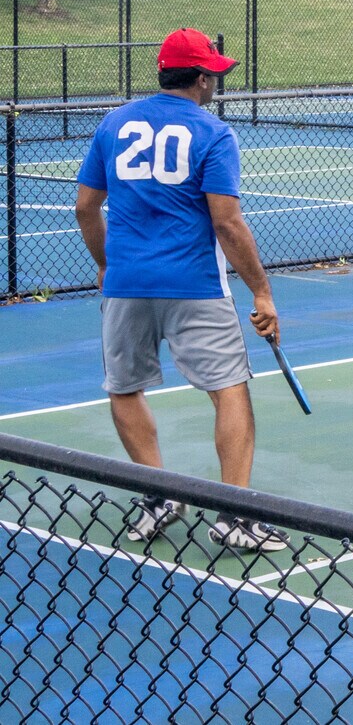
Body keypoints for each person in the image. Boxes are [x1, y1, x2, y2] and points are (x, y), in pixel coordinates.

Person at [74, 28, 287, 552]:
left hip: (127, 284)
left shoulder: (114, 122)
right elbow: (228, 223)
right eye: (213, 71)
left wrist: (108, 265)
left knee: (124, 388)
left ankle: (159, 494)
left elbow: (84, 208)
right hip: (193, 284)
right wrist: (262, 292)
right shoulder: (213, 133)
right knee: (230, 388)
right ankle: (235, 515)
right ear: (200, 77)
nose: (217, 80)